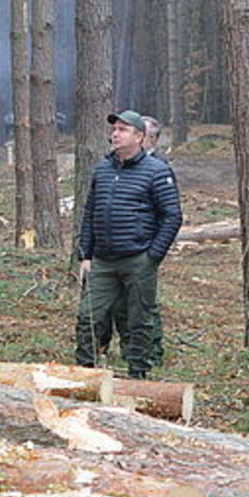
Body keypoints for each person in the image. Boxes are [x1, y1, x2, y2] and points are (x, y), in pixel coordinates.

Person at [75, 110, 182, 379]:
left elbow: (172, 216)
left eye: (123, 130)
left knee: (139, 321)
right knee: (88, 317)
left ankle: (138, 375)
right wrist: (85, 255)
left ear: (139, 137)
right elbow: (90, 213)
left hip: (138, 259)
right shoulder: (102, 169)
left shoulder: (157, 171)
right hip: (103, 260)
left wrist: (153, 256)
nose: (115, 134)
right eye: (114, 129)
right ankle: (84, 376)